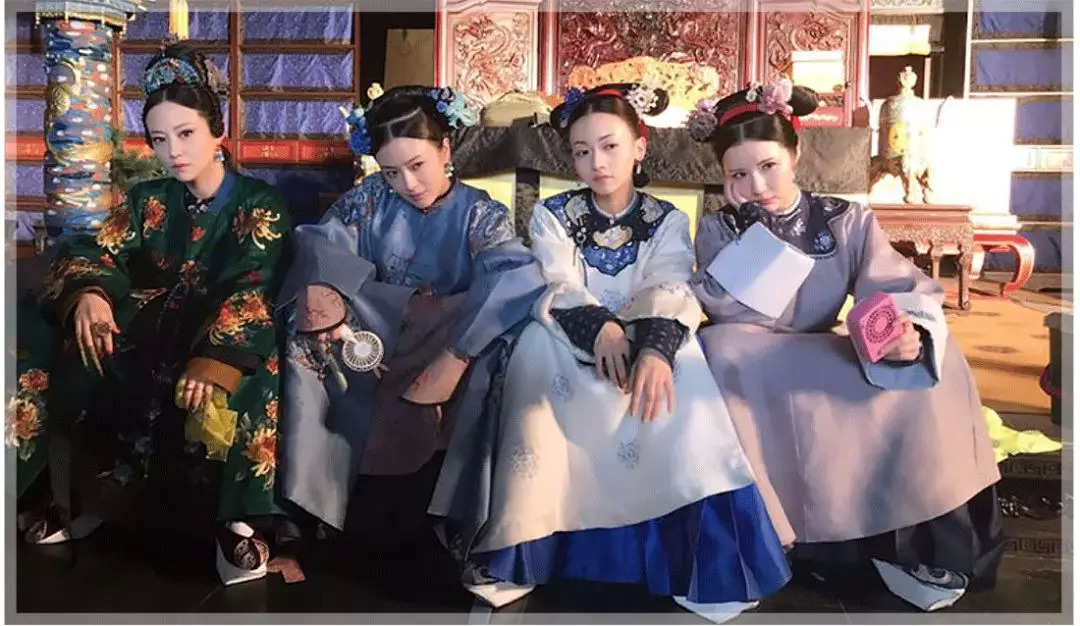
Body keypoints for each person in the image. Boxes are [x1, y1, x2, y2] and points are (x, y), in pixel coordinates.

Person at [428, 84, 791, 621]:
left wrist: (654, 350)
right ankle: (521, 553)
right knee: (531, 358)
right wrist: (602, 331)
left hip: (648, 337)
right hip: (568, 337)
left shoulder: (667, 218)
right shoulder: (552, 214)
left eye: (610, 146)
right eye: (582, 151)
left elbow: (669, 284)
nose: (596, 163)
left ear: (639, 147)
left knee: (687, 378)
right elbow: (556, 284)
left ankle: (698, 560)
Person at [687, 77, 1003, 611]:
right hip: (755, 355)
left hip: (825, 349)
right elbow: (728, 311)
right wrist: (752, 230)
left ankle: (907, 546)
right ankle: (757, 544)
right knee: (719, 353)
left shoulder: (846, 220)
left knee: (941, 359)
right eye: (738, 174)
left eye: (769, 165)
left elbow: (890, 285)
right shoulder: (720, 227)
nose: (757, 185)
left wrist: (897, 331)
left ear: (795, 152)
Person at [8, 43, 293, 585]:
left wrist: (217, 355)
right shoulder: (147, 199)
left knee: (255, 372)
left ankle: (236, 525)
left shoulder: (259, 204)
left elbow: (254, 282)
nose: (173, 152)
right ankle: (52, 496)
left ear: (218, 131)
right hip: (142, 326)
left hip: (214, 330)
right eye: (159, 139)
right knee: (35, 333)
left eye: (185, 133)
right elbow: (98, 249)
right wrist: (90, 292)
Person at [276, 85, 546, 548]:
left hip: (448, 340)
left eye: (418, 165)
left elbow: (511, 276)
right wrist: (329, 303)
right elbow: (322, 244)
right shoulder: (369, 200)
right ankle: (312, 503)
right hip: (375, 336)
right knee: (306, 340)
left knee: (501, 352)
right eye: (391, 172)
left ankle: (453, 520)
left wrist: (457, 354)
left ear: (446, 150)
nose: (409, 184)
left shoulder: (479, 214)